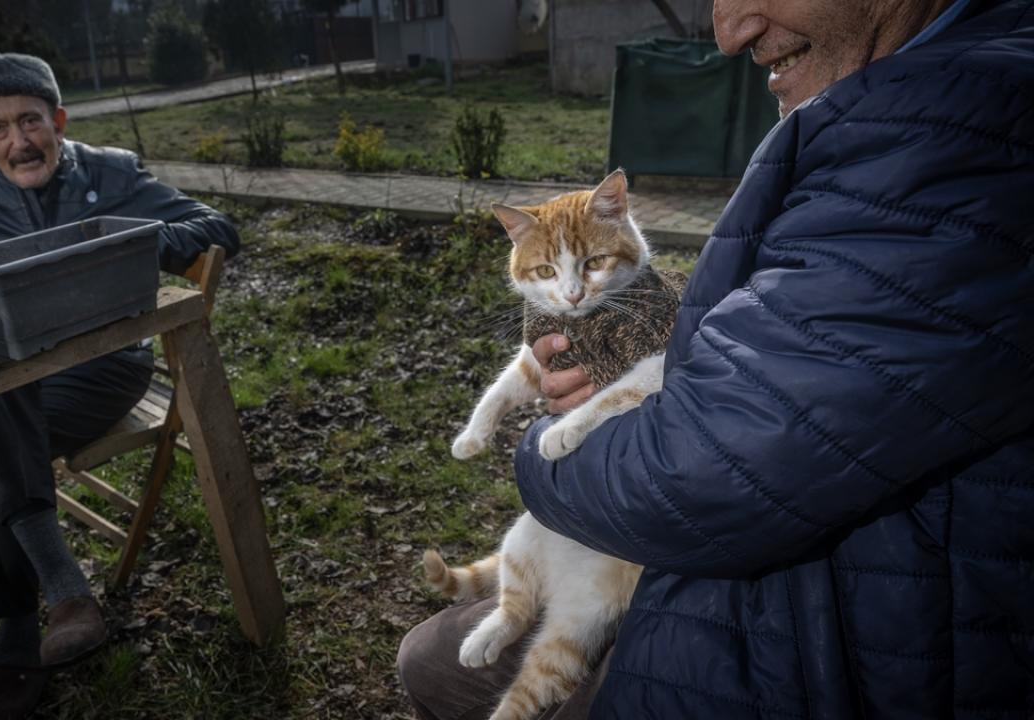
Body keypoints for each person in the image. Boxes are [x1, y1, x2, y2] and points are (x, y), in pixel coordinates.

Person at [399, 0, 1034, 717]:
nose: (729, 33)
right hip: (813, 587)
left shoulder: (955, 132)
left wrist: (538, 449)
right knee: (435, 648)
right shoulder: (905, 100)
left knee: (430, 662)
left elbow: (702, 470)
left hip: (815, 642)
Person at [0, 50, 239, 719]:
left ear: (58, 119)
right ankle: (63, 591)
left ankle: (17, 635)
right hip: (18, 377)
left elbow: (220, 229)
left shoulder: (111, 172)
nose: (20, 142)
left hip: (107, 370)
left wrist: (130, 239)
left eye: (31, 121)